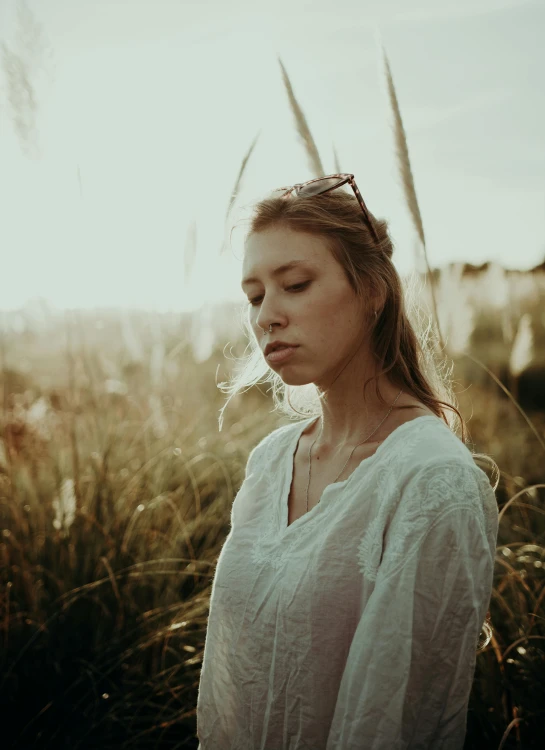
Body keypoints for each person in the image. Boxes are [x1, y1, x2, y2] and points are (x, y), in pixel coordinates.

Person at [196, 174, 499, 749]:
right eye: (256, 296)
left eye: (296, 284)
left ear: (372, 290)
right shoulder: (271, 462)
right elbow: (230, 685)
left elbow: (399, 720)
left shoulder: (433, 481)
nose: (267, 317)